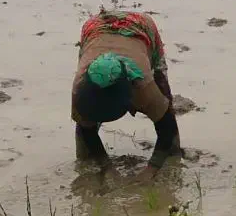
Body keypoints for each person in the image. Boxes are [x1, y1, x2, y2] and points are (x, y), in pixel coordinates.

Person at [72, 10, 181, 172]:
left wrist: (150, 171)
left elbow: (167, 126)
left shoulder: (143, 85)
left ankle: (173, 159)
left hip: (141, 27)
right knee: (86, 155)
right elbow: (86, 128)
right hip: (95, 28)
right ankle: (89, 165)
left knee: (163, 102)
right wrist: (107, 168)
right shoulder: (79, 89)